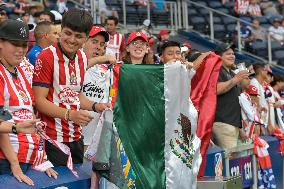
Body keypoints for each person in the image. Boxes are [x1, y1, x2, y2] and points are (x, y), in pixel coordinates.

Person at [32, 8, 113, 166]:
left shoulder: (82, 57)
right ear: (61, 31)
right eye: (68, 33)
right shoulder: (46, 57)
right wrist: (69, 114)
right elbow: (39, 101)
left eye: (78, 36)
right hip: (51, 139)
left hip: (76, 137)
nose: (72, 40)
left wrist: (96, 106)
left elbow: (75, 96)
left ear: (86, 38)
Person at [0, 19, 57, 186]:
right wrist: (14, 165)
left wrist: (41, 158)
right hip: (6, 162)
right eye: (15, 44)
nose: (21, 50)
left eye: (24, 45)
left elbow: (31, 119)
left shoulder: (22, 72)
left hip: (26, 159)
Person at [213, 43, 249, 149]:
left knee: (234, 161)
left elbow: (236, 101)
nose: (232, 56)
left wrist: (240, 128)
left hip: (233, 125)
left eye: (233, 53)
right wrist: (236, 79)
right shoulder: (216, 71)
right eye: (228, 54)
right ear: (219, 56)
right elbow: (216, 89)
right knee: (229, 160)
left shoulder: (232, 73)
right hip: (223, 122)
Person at [250, 64, 270, 134]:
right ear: (261, 71)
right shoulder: (254, 82)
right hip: (257, 122)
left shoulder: (259, 84)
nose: (267, 72)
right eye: (265, 70)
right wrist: (259, 123)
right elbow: (255, 103)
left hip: (262, 121)